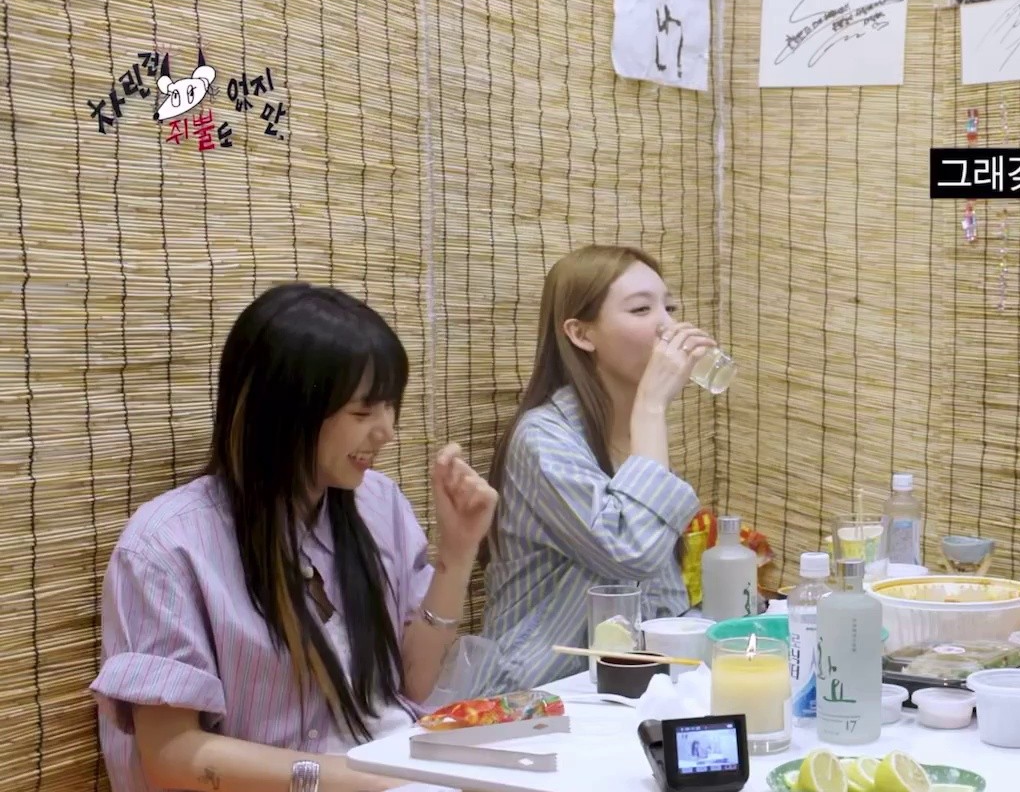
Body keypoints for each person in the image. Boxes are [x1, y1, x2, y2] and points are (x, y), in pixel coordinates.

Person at [91, 283, 498, 792]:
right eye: (362, 412)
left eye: (390, 406)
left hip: (398, 769)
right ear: (284, 411)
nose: (386, 431)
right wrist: (363, 780)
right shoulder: (168, 545)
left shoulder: (379, 503)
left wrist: (457, 553)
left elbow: (412, 685)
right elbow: (173, 756)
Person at [478, 245, 713, 691]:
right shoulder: (543, 439)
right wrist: (651, 405)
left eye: (670, 308)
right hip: (539, 693)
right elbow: (632, 553)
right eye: (641, 309)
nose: (668, 327)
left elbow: (661, 594)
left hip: (628, 685)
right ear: (581, 334)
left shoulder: (632, 434)